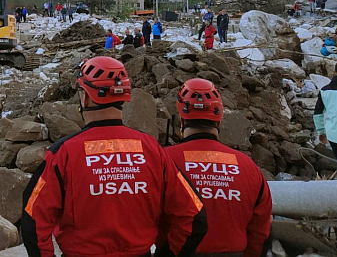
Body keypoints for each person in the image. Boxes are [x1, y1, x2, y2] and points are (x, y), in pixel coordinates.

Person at [21, 57, 207, 257]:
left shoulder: (63, 153)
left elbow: (33, 219)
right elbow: (194, 216)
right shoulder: (153, 150)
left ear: (85, 98)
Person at [161, 78, 272, 257]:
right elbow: (260, 230)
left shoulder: (164, 160)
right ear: (219, 117)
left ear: (181, 117)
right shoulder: (248, 167)